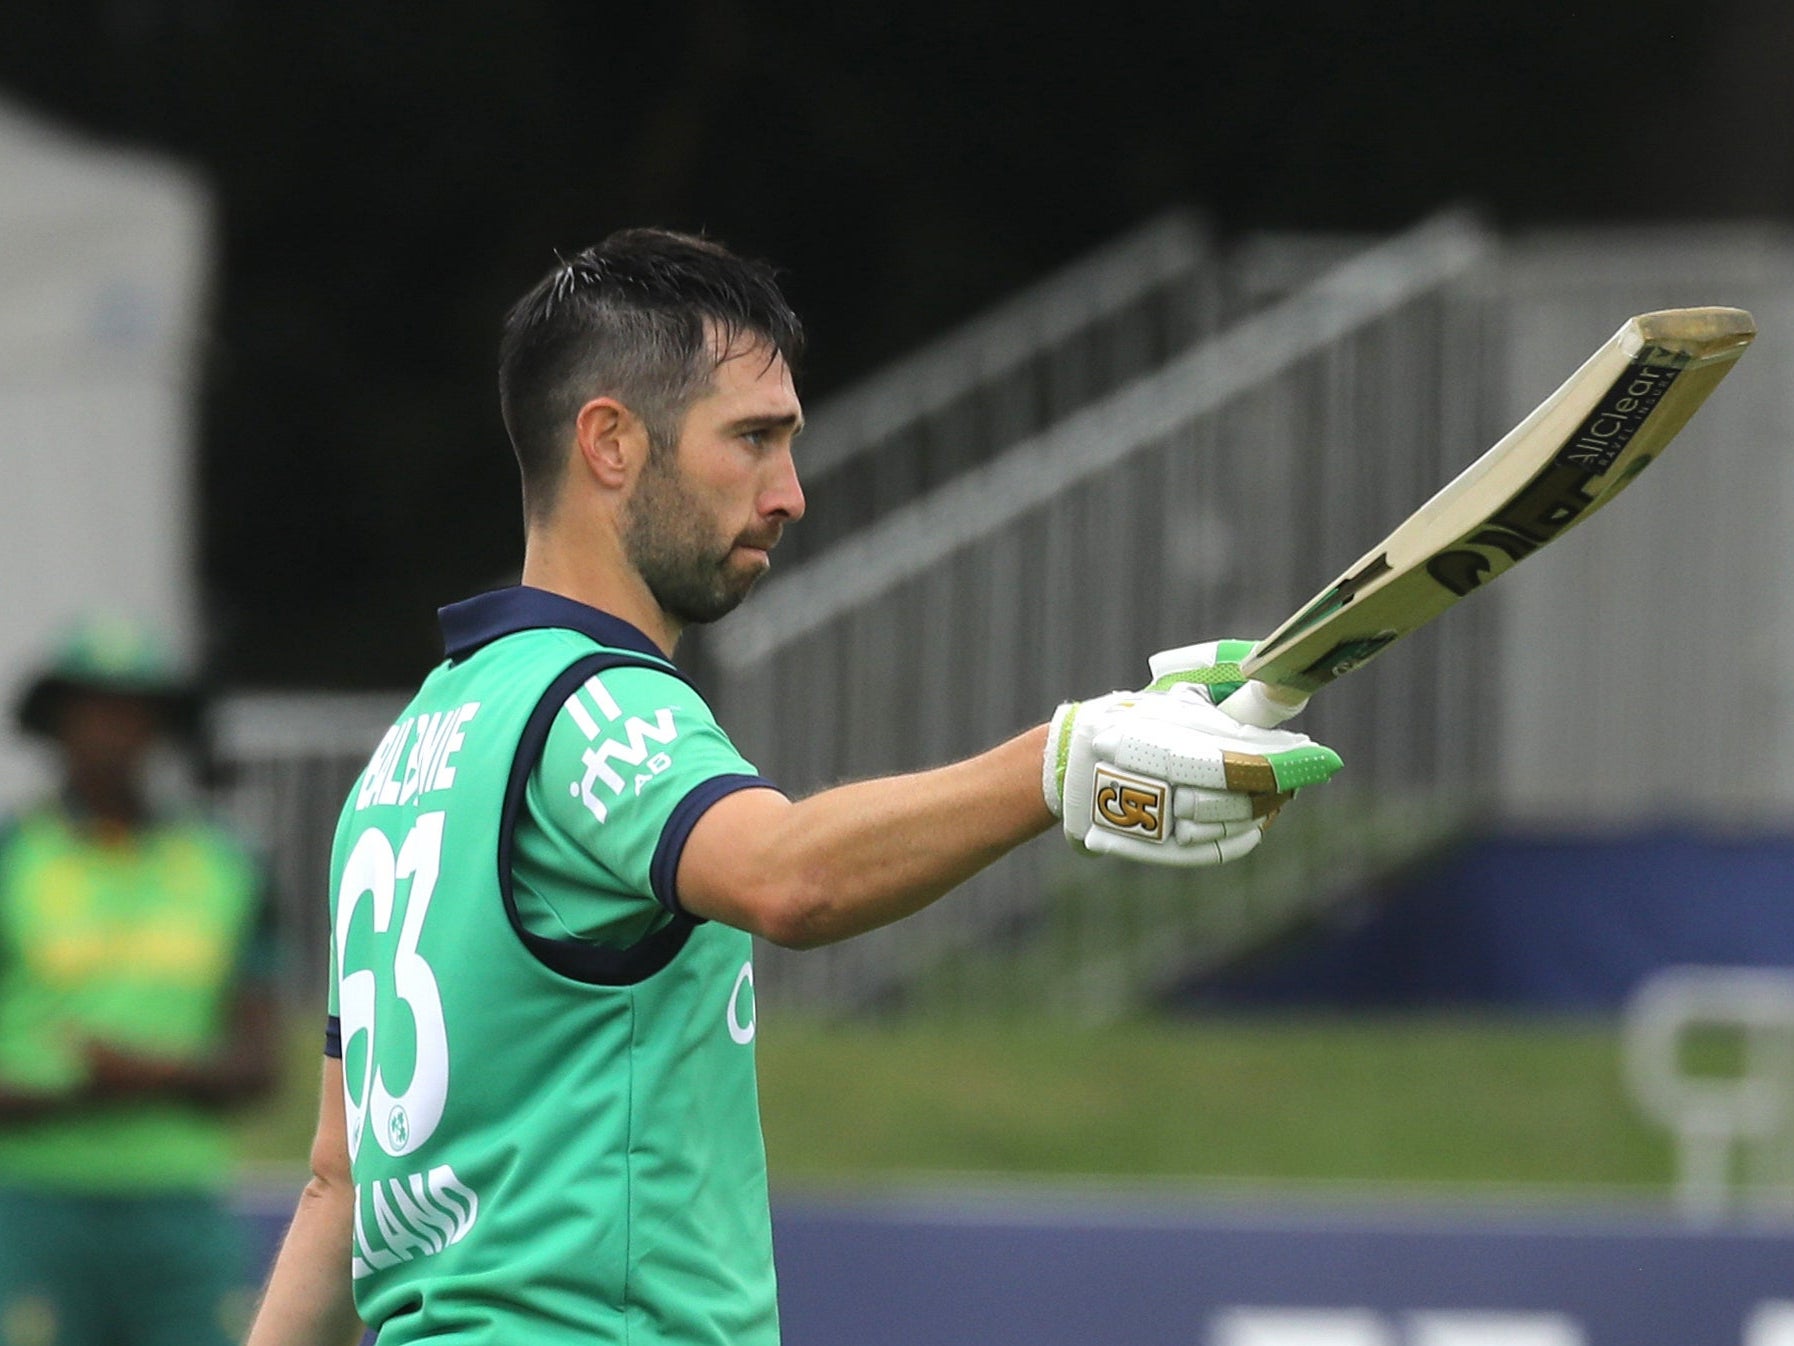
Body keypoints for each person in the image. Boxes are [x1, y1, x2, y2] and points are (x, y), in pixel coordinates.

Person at [245, 228, 1342, 1346]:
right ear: (611, 442)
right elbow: (788, 876)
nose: (791, 493)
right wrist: (1063, 763)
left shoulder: (411, 745)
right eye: (753, 440)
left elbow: (338, 1183)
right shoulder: (599, 703)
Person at [0, 617, 279, 1346]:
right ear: (53, 726)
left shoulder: (226, 867)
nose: (111, 733)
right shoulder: (12, 859)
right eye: (91, 710)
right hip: (30, 1206)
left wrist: (150, 1073)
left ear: (165, 730)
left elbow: (262, 1065)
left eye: (132, 712)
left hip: (178, 1212)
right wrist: (73, 1092)